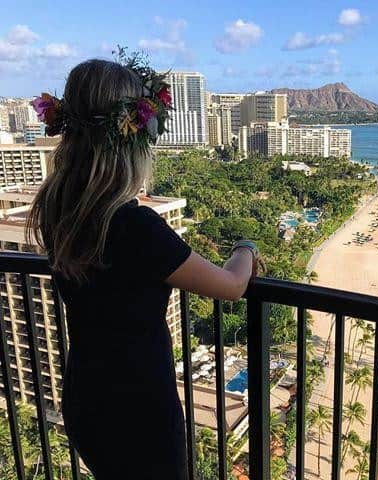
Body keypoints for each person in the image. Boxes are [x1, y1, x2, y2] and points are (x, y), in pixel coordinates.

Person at [26, 53, 263, 479]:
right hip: (138, 410)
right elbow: (231, 286)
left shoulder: (59, 210)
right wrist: (245, 248)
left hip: (87, 398)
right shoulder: (132, 226)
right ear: (133, 136)